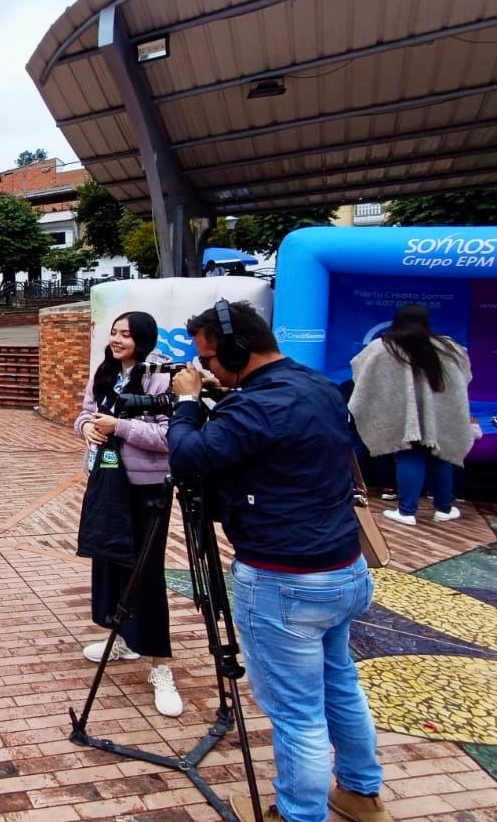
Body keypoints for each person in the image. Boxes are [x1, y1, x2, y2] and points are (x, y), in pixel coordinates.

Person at [167, 301, 391, 822]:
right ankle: (361, 792)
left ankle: (297, 813)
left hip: (282, 581)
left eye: (211, 358)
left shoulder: (254, 408)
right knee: (339, 683)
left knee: (297, 713)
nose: (211, 368)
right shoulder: (317, 387)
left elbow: (190, 456)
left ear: (238, 350)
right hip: (343, 569)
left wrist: (187, 403)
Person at [73, 311, 182, 718]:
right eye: (114, 333)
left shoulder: (159, 377)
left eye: (126, 335)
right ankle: (118, 637)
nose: (117, 340)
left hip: (146, 490)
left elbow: (169, 437)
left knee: (145, 574)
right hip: (106, 483)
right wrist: (86, 427)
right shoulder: (105, 372)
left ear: (145, 339)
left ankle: (161, 666)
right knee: (108, 563)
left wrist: (119, 426)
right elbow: (85, 413)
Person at [348, 304, 475, 526]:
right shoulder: (447, 346)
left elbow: (359, 369)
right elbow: (463, 374)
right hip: (439, 414)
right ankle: (444, 508)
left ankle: (407, 512)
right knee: (441, 454)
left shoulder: (383, 347)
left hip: (400, 414)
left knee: (408, 456)